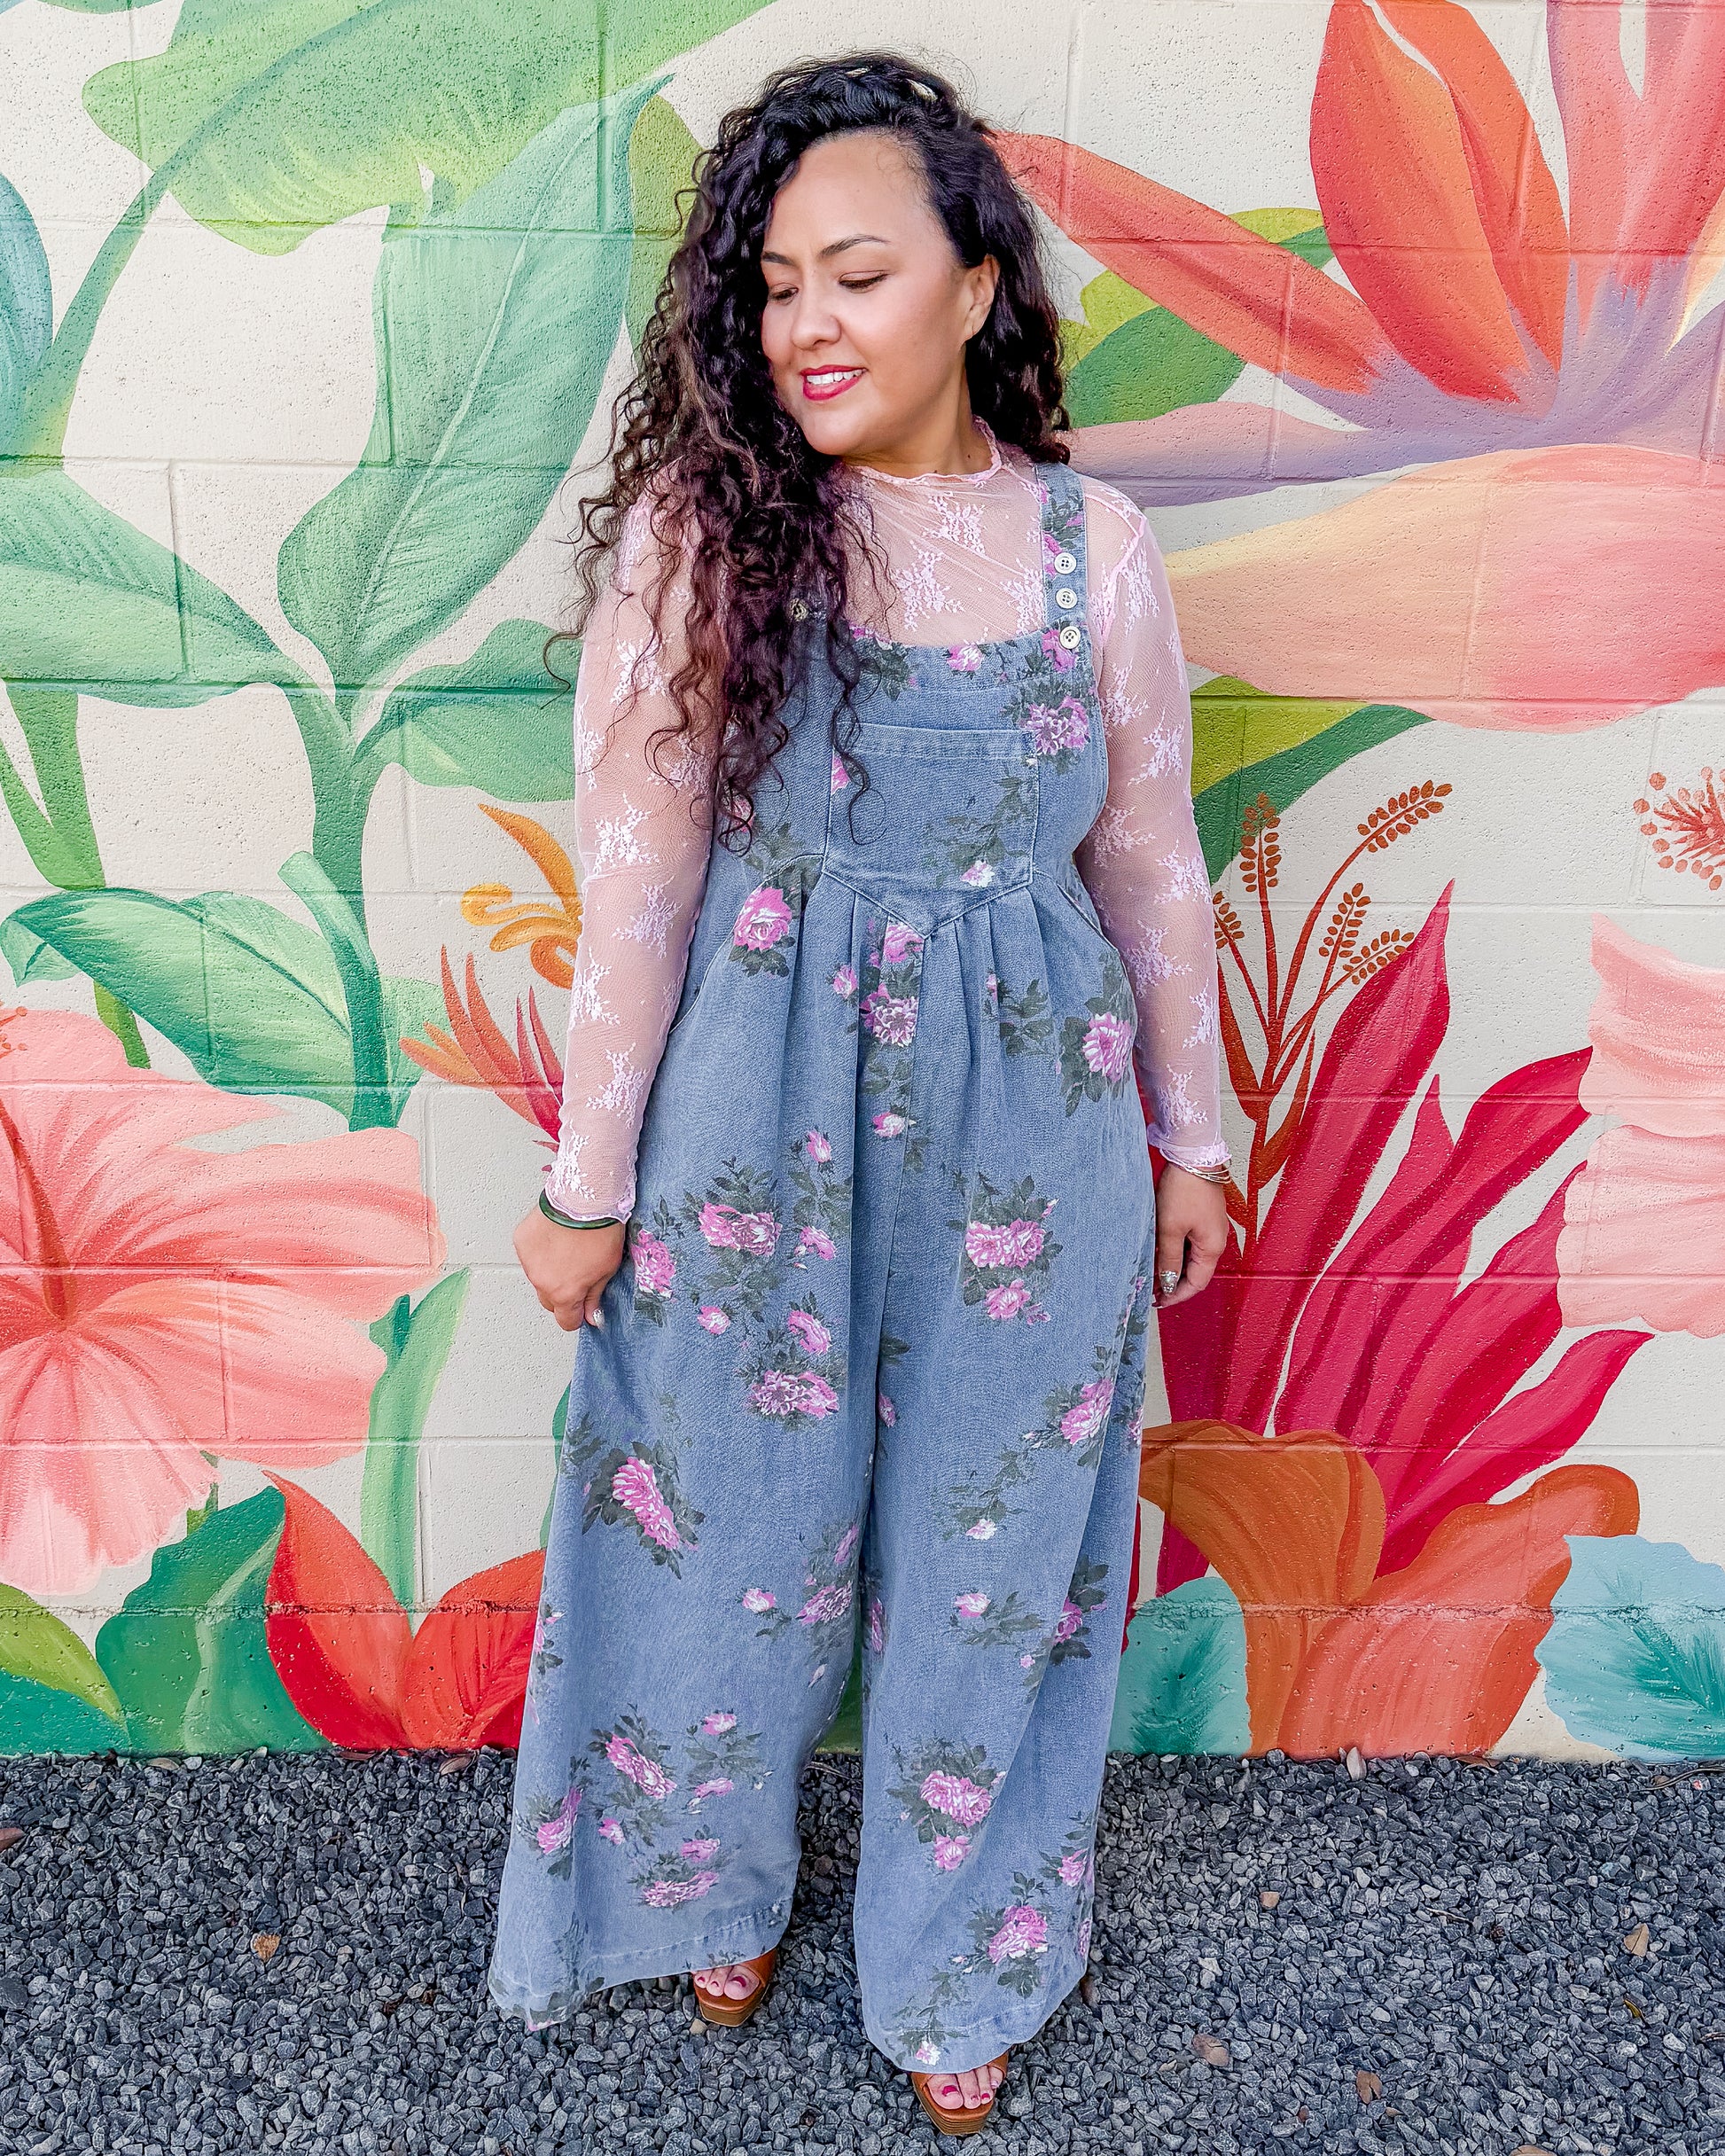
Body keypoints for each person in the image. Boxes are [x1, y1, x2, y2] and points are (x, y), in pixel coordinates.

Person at [488, 51, 1229, 2136]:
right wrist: (587, 1180)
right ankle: (696, 1875)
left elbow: (1147, 856)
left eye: (858, 273)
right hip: (752, 1116)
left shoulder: (1089, 551)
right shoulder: (705, 538)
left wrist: (1193, 1135)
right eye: (774, 286)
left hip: (1035, 1131)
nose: (806, 324)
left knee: (999, 1560)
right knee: (717, 1521)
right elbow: (635, 880)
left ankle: (957, 1954)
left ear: (976, 286)